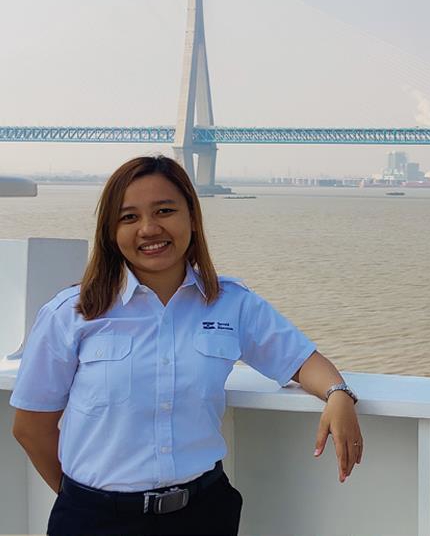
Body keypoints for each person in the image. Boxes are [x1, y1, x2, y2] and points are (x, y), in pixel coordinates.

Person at [9, 155, 364, 535]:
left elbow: (300, 359)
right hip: (95, 518)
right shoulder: (73, 313)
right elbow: (31, 426)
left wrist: (337, 394)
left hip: (203, 514)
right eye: (129, 217)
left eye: (164, 210)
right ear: (110, 231)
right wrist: (83, 500)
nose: (149, 228)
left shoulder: (231, 303)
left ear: (192, 218)